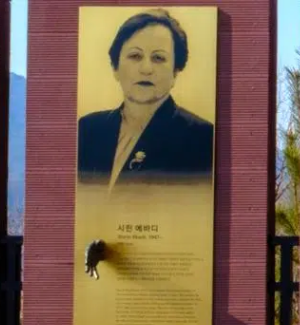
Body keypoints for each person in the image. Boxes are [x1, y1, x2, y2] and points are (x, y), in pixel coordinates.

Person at [77, 9, 214, 190]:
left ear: (175, 72)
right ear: (115, 67)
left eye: (158, 58)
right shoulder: (89, 128)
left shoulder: (201, 138)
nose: (146, 69)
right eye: (135, 56)